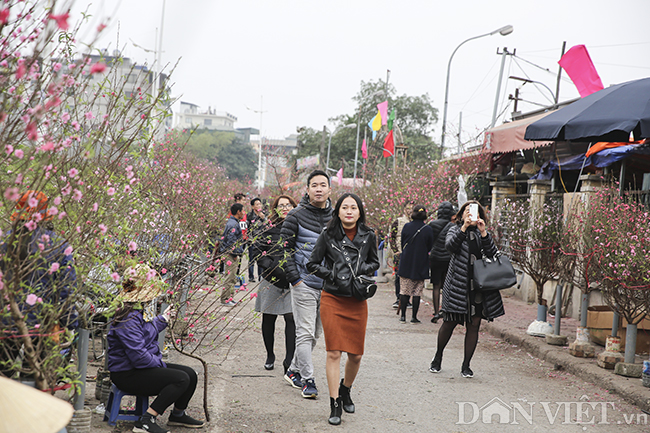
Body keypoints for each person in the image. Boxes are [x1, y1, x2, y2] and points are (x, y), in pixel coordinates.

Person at [307, 193, 379, 425]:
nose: (349, 211)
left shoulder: (369, 236)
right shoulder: (328, 235)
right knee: (333, 352)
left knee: (356, 355)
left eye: (353, 208)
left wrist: (360, 269)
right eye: (344, 207)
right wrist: (333, 274)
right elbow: (312, 263)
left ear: (360, 212)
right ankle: (335, 402)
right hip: (333, 297)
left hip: (357, 299)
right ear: (337, 211)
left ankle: (345, 388)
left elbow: (375, 263)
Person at [107, 264, 204, 433]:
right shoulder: (127, 319)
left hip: (136, 367)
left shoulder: (134, 311)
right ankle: (145, 421)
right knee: (180, 379)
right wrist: (159, 365)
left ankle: (177, 415)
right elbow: (139, 357)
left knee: (190, 374)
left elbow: (143, 335)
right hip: (126, 373)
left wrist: (162, 320)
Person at [0, 191, 77, 387]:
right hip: (41, 324)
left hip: (5, 321)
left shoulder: (6, 242)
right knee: (34, 375)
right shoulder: (59, 245)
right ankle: (28, 415)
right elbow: (66, 288)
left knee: (3, 373)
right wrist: (70, 322)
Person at [429, 200, 505, 378]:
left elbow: (493, 254)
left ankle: (466, 365)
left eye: (475, 212)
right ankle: (437, 358)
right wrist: (464, 228)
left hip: (478, 287)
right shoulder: (454, 229)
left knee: (474, 325)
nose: (470, 214)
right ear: (461, 214)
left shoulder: (482, 232)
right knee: (449, 323)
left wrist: (484, 232)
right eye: (467, 211)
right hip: (458, 285)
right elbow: (450, 247)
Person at [281, 169, 333, 399]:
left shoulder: (337, 217)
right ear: (308, 189)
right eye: (314, 185)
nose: (319, 189)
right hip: (304, 284)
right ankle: (308, 381)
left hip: (329, 286)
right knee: (304, 332)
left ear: (330, 190)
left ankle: (293, 371)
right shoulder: (295, 215)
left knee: (316, 333)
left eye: (323, 185)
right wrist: (296, 279)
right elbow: (284, 251)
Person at [253, 195, 298, 372]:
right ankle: (270, 354)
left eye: (288, 205)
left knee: (291, 318)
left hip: (292, 280)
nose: (285, 208)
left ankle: (289, 359)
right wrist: (270, 267)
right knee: (268, 318)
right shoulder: (268, 228)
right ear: (275, 209)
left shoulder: (299, 227)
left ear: (294, 206)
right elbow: (257, 250)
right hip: (271, 279)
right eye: (281, 206)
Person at [397, 204, 434, 324]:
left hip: (407, 260)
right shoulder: (428, 229)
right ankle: (414, 317)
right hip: (421, 261)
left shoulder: (407, 226)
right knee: (417, 291)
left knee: (404, 290)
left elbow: (403, 242)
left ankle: (403, 316)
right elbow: (430, 246)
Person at [427, 201, 455, 323]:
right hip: (448, 258)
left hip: (435, 258)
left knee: (436, 286)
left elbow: (429, 242)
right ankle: (445, 310)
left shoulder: (432, 224)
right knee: (447, 285)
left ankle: (436, 311)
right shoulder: (452, 225)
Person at [218, 203, 245, 306]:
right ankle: (225, 299)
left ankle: (230, 297)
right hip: (231, 254)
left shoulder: (233, 222)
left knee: (233, 277)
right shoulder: (233, 224)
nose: (243, 213)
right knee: (230, 277)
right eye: (242, 210)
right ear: (238, 212)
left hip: (231, 253)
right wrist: (234, 252)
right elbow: (231, 240)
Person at [389, 203, 411, 309]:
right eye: (408, 209)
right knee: (398, 276)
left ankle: (408, 299)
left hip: (412, 254)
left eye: (412, 209)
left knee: (411, 277)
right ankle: (398, 298)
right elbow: (392, 237)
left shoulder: (417, 222)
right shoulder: (398, 221)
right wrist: (395, 251)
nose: (410, 211)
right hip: (400, 253)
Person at [247, 197, 267, 283]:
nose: (259, 206)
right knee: (251, 259)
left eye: (260, 204)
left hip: (261, 240)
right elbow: (247, 229)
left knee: (261, 259)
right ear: (253, 206)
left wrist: (263, 218)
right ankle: (251, 276)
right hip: (252, 241)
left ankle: (260, 276)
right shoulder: (249, 216)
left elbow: (267, 226)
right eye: (257, 204)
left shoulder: (264, 215)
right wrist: (250, 239)